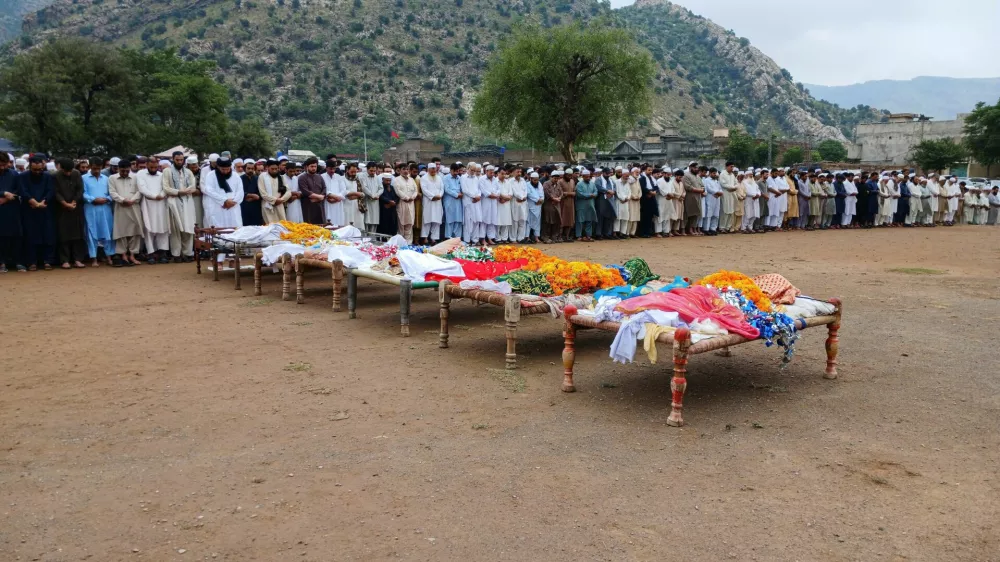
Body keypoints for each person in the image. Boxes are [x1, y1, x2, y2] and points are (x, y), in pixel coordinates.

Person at [19, 156, 56, 270]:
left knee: (48, 235)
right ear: (30, 166)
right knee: (31, 236)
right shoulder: (23, 176)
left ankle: (47, 261)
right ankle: (32, 262)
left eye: (39, 169)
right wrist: (32, 201)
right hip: (29, 209)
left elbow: (51, 190)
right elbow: (22, 190)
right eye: (34, 170)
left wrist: (43, 201)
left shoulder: (47, 176)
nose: (37, 172)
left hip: (45, 209)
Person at [162, 151, 198, 262]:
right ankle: (176, 254)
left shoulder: (188, 172)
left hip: (187, 202)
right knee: (176, 229)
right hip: (174, 201)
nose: (179, 162)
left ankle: (187, 253)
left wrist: (186, 191)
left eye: (181, 160)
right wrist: (178, 192)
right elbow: (166, 188)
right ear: (173, 159)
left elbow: (193, 186)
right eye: (177, 160)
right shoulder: (167, 171)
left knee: (188, 227)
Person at [52, 158, 88, 269]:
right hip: (61, 209)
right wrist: (64, 203)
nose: (68, 173)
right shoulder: (55, 175)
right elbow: (55, 192)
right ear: (60, 168)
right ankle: (65, 260)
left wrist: (74, 202)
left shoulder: (76, 174)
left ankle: (77, 259)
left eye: (69, 171)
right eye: (65, 171)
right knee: (64, 235)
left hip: (75, 207)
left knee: (78, 234)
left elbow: (80, 189)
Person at [135, 157, 171, 264]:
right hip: (147, 203)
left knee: (163, 227)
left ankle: (163, 252)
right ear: (147, 165)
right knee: (148, 228)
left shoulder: (161, 175)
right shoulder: (141, 174)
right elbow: (142, 188)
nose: (153, 169)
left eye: (155, 167)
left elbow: (166, 187)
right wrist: (154, 196)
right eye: (151, 167)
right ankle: (150, 253)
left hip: (161, 204)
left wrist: (161, 195)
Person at [108, 162, 144, 267]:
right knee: (121, 231)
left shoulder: (135, 177)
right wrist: (123, 200)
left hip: (134, 206)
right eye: (122, 171)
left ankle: (132, 255)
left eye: (127, 171)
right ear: (118, 169)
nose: (125, 173)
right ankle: (123, 255)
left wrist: (132, 200)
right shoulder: (112, 178)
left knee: (135, 230)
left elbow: (139, 191)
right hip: (120, 207)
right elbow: (112, 192)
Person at [82, 156, 115, 267]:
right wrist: (93, 199)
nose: (97, 171)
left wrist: (107, 199)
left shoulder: (106, 178)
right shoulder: (83, 178)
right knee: (92, 232)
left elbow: (112, 192)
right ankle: (94, 258)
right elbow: (83, 193)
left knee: (107, 232)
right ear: (90, 167)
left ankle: (109, 256)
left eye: (99, 169)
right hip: (91, 208)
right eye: (94, 168)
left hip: (105, 208)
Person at [201, 158, 245, 228]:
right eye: (223, 169)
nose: (225, 171)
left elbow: (240, 191)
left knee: (235, 228)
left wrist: (233, 202)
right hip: (217, 206)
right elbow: (209, 190)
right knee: (218, 229)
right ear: (218, 167)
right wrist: (224, 201)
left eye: (227, 169)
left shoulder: (235, 176)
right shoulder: (211, 175)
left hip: (233, 207)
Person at [0, 152, 21, 272]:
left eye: (4, 164)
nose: (2, 168)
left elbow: (19, 189)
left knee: (14, 236)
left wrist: (7, 197)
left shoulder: (13, 174)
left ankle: (15, 261)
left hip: (11, 209)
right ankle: (1, 262)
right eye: (0, 165)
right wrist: (3, 194)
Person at [257, 160, 290, 224]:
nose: (274, 170)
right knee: (270, 226)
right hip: (268, 205)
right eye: (272, 169)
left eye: (276, 169)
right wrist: (274, 200)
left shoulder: (281, 177)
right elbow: (263, 194)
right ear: (267, 167)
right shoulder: (262, 177)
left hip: (279, 204)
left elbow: (288, 192)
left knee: (282, 225)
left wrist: (281, 200)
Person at [296, 158, 325, 225]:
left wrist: (320, 197)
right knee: (309, 225)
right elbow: (305, 191)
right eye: (312, 166)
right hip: (308, 205)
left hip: (319, 205)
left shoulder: (319, 177)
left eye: (315, 166)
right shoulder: (302, 177)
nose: (314, 168)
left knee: (320, 225)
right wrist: (319, 197)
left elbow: (324, 188)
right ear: (307, 167)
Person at [393, 165, 418, 243]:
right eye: (404, 169)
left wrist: (412, 197)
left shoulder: (411, 180)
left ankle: (408, 244)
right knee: (401, 224)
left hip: (411, 204)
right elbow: (398, 191)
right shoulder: (396, 180)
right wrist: (406, 198)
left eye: (407, 169)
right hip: (402, 203)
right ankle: (401, 244)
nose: (406, 171)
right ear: (400, 170)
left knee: (410, 224)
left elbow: (415, 190)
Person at [421, 163, 444, 243]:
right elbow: (424, 190)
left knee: (436, 220)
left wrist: (439, 195)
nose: (434, 170)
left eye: (435, 168)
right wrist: (433, 196)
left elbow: (442, 189)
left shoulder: (439, 178)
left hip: (437, 201)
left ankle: (434, 238)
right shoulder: (424, 178)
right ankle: (425, 238)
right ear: (428, 169)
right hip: (429, 201)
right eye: (432, 168)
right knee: (427, 219)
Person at [573, 168, 598, 242]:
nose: (588, 178)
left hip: (590, 205)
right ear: (583, 176)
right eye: (586, 177)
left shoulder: (592, 183)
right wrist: (590, 195)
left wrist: (594, 194)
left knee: (589, 221)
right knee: (580, 221)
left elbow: (596, 191)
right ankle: (579, 236)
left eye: (589, 176)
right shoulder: (579, 184)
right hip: (581, 206)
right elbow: (580, 194)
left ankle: (588, 236)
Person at [238, 158, 263, 227]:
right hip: (244, 206)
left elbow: (261, 191)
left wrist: (255, 197)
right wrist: (249, 195)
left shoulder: (258, 179)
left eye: (252, 169)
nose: (250, 170)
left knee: (256, 226)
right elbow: (238, 192)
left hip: (256, 207)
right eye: (248, 168)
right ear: (244, 169)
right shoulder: (240, 179)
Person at [360, 162, 384, 232]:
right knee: (366, 220)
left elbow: (381, 188)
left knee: (374, 221)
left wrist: (377, 195)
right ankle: (365, 238)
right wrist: (372, 195)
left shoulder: (377, 177)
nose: (373, 172)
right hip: (366, 201)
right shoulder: (362, 176)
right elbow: (364, 188)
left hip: (375, 202)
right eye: (371, 171)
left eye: (374, 171)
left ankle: (372, 238)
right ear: (367, 169)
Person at [594, 168, 616, 240]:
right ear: (603, 173)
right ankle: (598, 234)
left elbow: (615, 187)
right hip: (601, 199)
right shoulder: (598, 179)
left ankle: (607, 233)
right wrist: (607, 191)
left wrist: (613, 192)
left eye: (609, 173)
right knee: (600, 217)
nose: (608, 175)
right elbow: (598, 187)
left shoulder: (611, 180)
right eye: (607, 173)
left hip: (610, 199)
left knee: (609, 217)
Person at [682, 161, 704, 236]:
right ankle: (687, 229)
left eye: (697, 168)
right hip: (690, 197)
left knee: (696, 213)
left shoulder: (698, 176)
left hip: (698, 197)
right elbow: (687, 187)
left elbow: (702, 185)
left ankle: (693, 228)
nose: (696, 169)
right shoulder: (686, 175)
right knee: (689, 214)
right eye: (695, 168)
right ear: (691, 168)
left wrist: (702, 190)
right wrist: (699, 190)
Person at [718, 162, 738, 233]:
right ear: (726, 167)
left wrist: (734, 188)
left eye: (733, 167)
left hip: (731, 194)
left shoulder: (732, 175)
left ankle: (727, 227)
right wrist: (732, 188)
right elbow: (723, 184)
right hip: (725, 194)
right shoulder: (723, 174)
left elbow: (736, 183)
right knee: (724, 211)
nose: (732, 168)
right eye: (731, 167)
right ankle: (722, 227)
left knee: (731, 211)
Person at [653, 166, 673, 237]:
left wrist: (671, 194)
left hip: (669, 200)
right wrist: (667, 194)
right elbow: (660, 190)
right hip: (661, 200)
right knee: (660, 215)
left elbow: (672, 189)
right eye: (667, 174)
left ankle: (666, 231)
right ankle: (658, 232)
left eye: (669, 174)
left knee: (667, 215)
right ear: (663, 174)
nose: (668, 176)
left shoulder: (671, 181)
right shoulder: (659, 181)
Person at [525, 171, 543, 243]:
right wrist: (537, 200)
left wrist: (541, 199)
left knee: (537, 222)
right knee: (529, 222)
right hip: (531, 205)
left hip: (538, 206)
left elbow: (542, 193)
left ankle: (536, 237)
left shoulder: (539, 184)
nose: (536, 181)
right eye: (534, 180)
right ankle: (527, 237)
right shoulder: (527, 184)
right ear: (531, 179)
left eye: (537, 180)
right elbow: (529, 194)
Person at [510, 167, 528, 243]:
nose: (519, 173)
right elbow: (513, 191)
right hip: (515, 202)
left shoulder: (523, 180)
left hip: (523, 203)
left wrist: (524, 197)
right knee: (514, 221)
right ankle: (513, 238)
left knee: (522, 220)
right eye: (517, 172)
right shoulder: (510, 181)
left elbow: (525, 190)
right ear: (513, 172)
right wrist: (520, 197)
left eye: (520, 172)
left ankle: (520, 238)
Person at [612, 167, 630, 238]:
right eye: (626, 176)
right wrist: (622, 198)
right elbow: (617, 192)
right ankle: (615, 233)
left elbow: (629, 192)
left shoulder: (627, 183)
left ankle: (622, 233)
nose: (627, 177)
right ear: (622, 175)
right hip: (619, 202)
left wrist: (627, 198)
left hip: (625, 202)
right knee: (617, 218)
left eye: (628, 176)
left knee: (625, 218)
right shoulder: (616, 182)